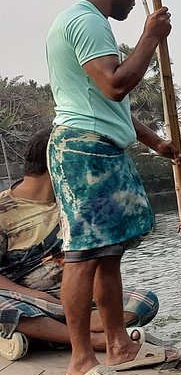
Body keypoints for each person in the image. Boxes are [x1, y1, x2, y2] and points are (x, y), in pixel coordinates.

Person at [45, 0, 181, 375]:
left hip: (99, 147)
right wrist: (151, 37)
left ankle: (120, 346)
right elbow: (115, 85)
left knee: (108, 255)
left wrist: (156, 142)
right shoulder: (87, 20)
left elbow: (109, 108)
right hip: (83, 152)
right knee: (83, 254)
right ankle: (81, 361)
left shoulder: (80, 21)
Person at [0, 128, 160, 362]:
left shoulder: (75, 204)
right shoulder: (3, 211)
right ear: (59, 163)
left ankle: (37, 334)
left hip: (74, 301)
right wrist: (39, 297)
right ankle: (93, 340)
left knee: (145, 302)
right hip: (23, 298)